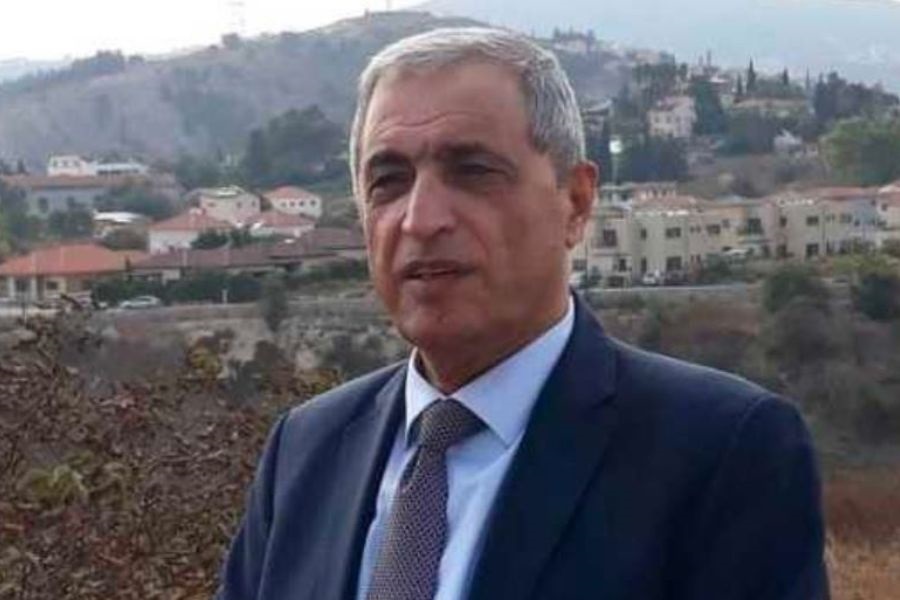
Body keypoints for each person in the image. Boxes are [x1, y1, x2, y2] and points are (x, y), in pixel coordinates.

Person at [217, 27, 828, 600]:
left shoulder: (722, 453)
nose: (420, 219)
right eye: (389, 181)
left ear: (576, 202)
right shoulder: (306, 450)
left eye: (473, 172)